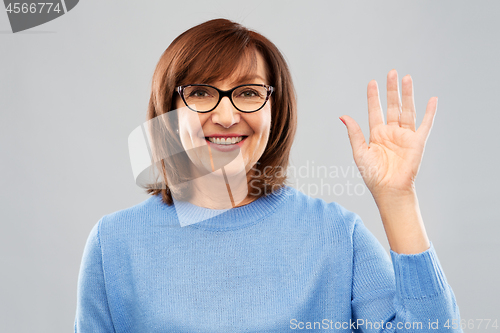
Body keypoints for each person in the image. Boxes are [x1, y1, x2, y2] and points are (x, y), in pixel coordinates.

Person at [75, 18, 462, 332]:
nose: (227, 117)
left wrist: (398, 198)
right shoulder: (113, 245)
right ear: (170, 112)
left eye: (247, 92)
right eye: (202, 92)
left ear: (275, 109)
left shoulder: (337, 237)